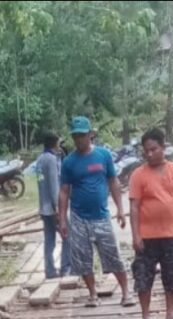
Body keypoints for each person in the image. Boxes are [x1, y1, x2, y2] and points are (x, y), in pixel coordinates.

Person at [58, 116, 134, 307]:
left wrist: (120, 209)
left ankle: (126, 292)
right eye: (75, 136)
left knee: (112, 254)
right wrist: (62, 220)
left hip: (101, 216)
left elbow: (113, 182)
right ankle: (93, 294)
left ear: (90, 134)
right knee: (82, 258)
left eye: (82, 135)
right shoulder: (68, 162)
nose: (79, 139)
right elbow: (64, 192)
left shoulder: (103, 155)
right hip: (78, 217)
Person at [128, 127, 173, 319]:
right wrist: (135, 235)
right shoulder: (138, 175)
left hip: (171, 234)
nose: (149, 154)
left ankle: (171, 313)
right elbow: (134, 207)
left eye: (153, 149)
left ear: (163, 147)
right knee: (143, 275)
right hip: (146, 236)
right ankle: (145, 316)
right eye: (146, 151)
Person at [36, 132, 71, 278]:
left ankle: (49, 270)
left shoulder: (40, 159)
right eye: (59, 143)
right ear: (54, 143)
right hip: (52, 208)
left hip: (43, 206)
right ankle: (65, 268)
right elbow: (53, 184)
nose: (60, 145)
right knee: (68, 236)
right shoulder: (51, 160)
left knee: (49, 240)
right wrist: (58, 208)